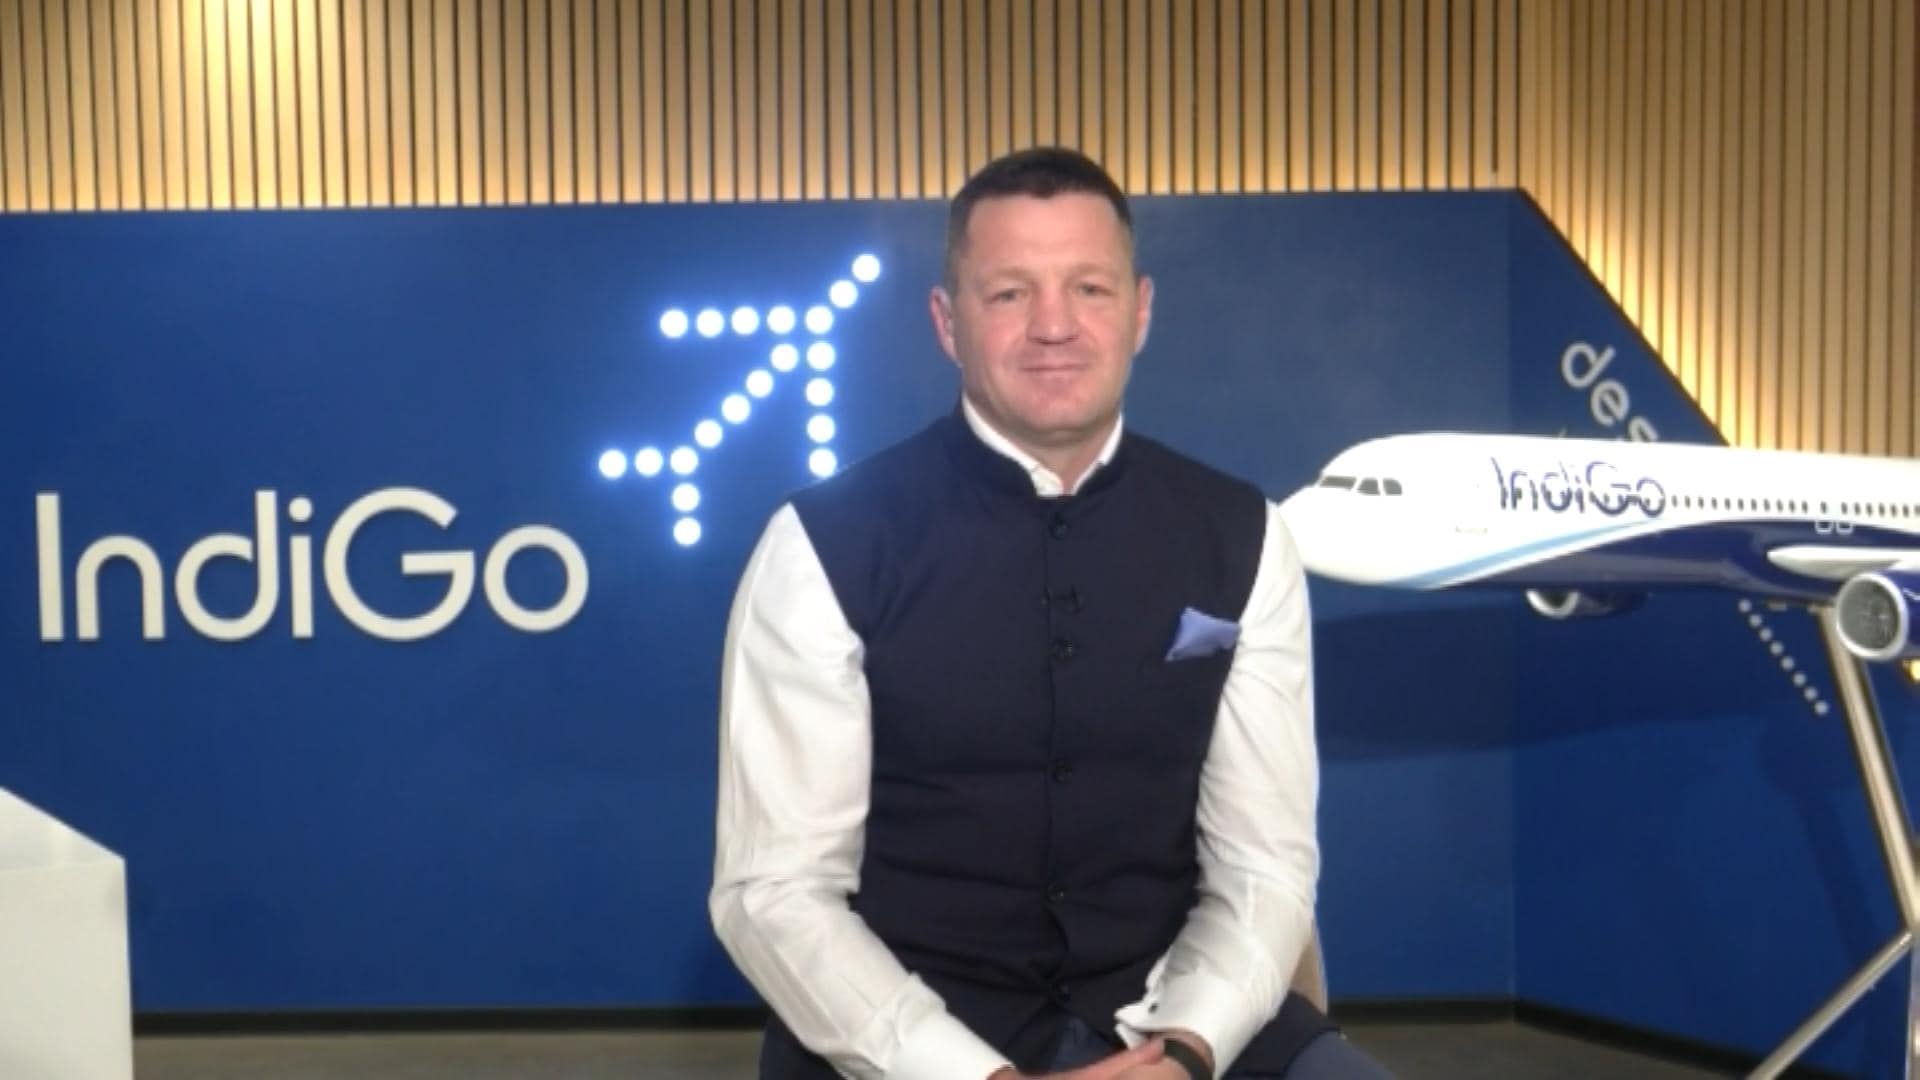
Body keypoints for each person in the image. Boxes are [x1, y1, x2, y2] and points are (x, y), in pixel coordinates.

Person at [710, 146, 1391, 1080]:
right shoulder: (822, 544)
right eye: (1009, 294)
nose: (1055, 326)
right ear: (947, 323)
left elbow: (1264, 866)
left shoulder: (1245, 535)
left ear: (1140, 311)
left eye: (1089, 289)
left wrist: (1186, 1049)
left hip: (1174, 1015)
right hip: (907, 1035)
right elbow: (775, 892)